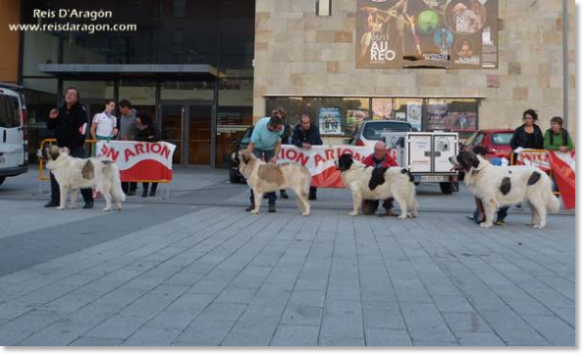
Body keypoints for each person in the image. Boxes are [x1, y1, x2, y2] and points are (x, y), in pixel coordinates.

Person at [44, 87, 94, 209]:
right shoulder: (60, 110)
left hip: (75, 147)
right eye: (68, 93)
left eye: (73, 94)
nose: (69, 95)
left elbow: (82, 132)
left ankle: (88, 199)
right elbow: (50, 127)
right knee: (55, 171)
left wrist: (70, 147)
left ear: (77, 98)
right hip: (59, 147)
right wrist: (51, 118)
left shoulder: (81, 112)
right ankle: (55, 199)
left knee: (81, 172)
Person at [245, 110, 286, 213]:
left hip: (271, 148)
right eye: (278, 129)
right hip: (257, 147)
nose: (280, 130)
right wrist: (247, 159)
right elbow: (251, 145)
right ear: (271, 127)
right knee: (254, 176)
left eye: (281, 128)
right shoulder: (259, 127)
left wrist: (275, 156)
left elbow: (278, 143)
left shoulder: (280, 128)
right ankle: (253, 203)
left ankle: (272, 203)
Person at [467, 146, 509, 225]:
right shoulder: (476, 169)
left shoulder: (500, 163)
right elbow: (477, 195)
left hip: (501, 195)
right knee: (479, 219)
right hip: (487, 201)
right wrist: (481, 212)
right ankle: (479, 214)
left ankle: (500, 217)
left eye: (480, 158)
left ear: (486, 156)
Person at [361, 141, 399, 216]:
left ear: (385, 151)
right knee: (367, 212)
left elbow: (397, 177)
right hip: (371, 190)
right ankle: (373, 204)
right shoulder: (367, 161)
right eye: (376, 149)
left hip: (385, 188)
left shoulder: (391, 162)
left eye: (380, 150)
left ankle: (388, 207)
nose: (377, 152)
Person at [292, 114, 323, 200]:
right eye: (305, 123)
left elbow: (310, 142)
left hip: (315, 151)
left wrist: (303, 143)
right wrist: (301, 144)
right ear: (301, 123)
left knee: (313, 171)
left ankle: (313, 192)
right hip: (303, 152)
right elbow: (294, 140)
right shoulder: (298, 128)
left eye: (308, 122)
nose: (307, 124)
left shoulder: (314, 128)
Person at [134, 112, 161, 198]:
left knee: (155, 172)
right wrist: (147, 138)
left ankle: (153, 190)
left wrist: (147, 139)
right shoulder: (140, 128)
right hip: (144, 154)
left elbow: (157, 137)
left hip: (155, 154)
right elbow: (137, 138)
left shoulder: (153, 126)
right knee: (145, 172)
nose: (137, 119)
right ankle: (145, 190)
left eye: (138, 118)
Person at [118, 99, 138, 196]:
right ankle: (124, 188)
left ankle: (133, 188)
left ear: (126, 108)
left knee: (132, 167)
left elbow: (140, 131)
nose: (120, 111)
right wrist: (117, 139)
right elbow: (121, 129)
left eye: (121, 109)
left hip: (132, 147)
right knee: (123, 166)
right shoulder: (122, 116)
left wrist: (130, 138)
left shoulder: (136, 117)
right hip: (122, 145)